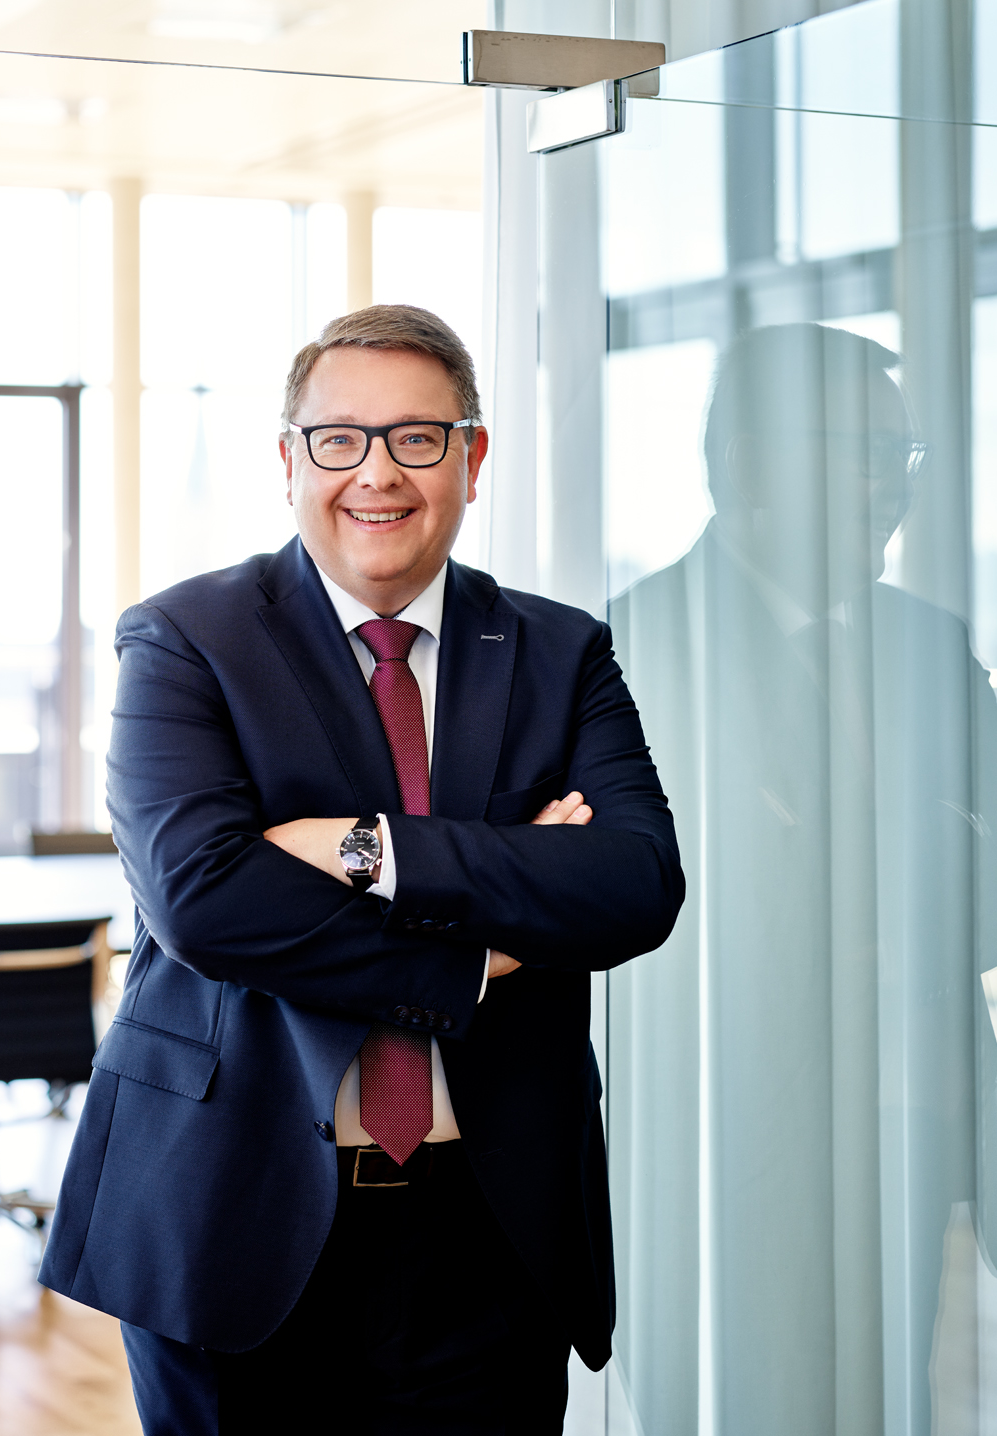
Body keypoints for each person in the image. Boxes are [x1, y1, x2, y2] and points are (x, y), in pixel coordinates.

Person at [39, 304, 685, 1433]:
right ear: (289, 461)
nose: (376, 473)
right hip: (231, 1207)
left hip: (492, 1229)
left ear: (471, 459)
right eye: (339, 439)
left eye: (417, 438)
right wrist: (481, 950)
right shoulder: (185, 639)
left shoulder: (558, 649)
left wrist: (363, 848)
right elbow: (204, 901)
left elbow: (634, 883)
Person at [604, 323, 997, 1432]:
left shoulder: (923, 642)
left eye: (901, 455)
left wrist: (895, 929)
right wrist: (886, 882)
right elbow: (649, 898)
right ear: (754, 465)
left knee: (878, 1405)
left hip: (901, 1119)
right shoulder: (635, 644)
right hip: (710, 1137)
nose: (893, 487)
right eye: (863, 454)